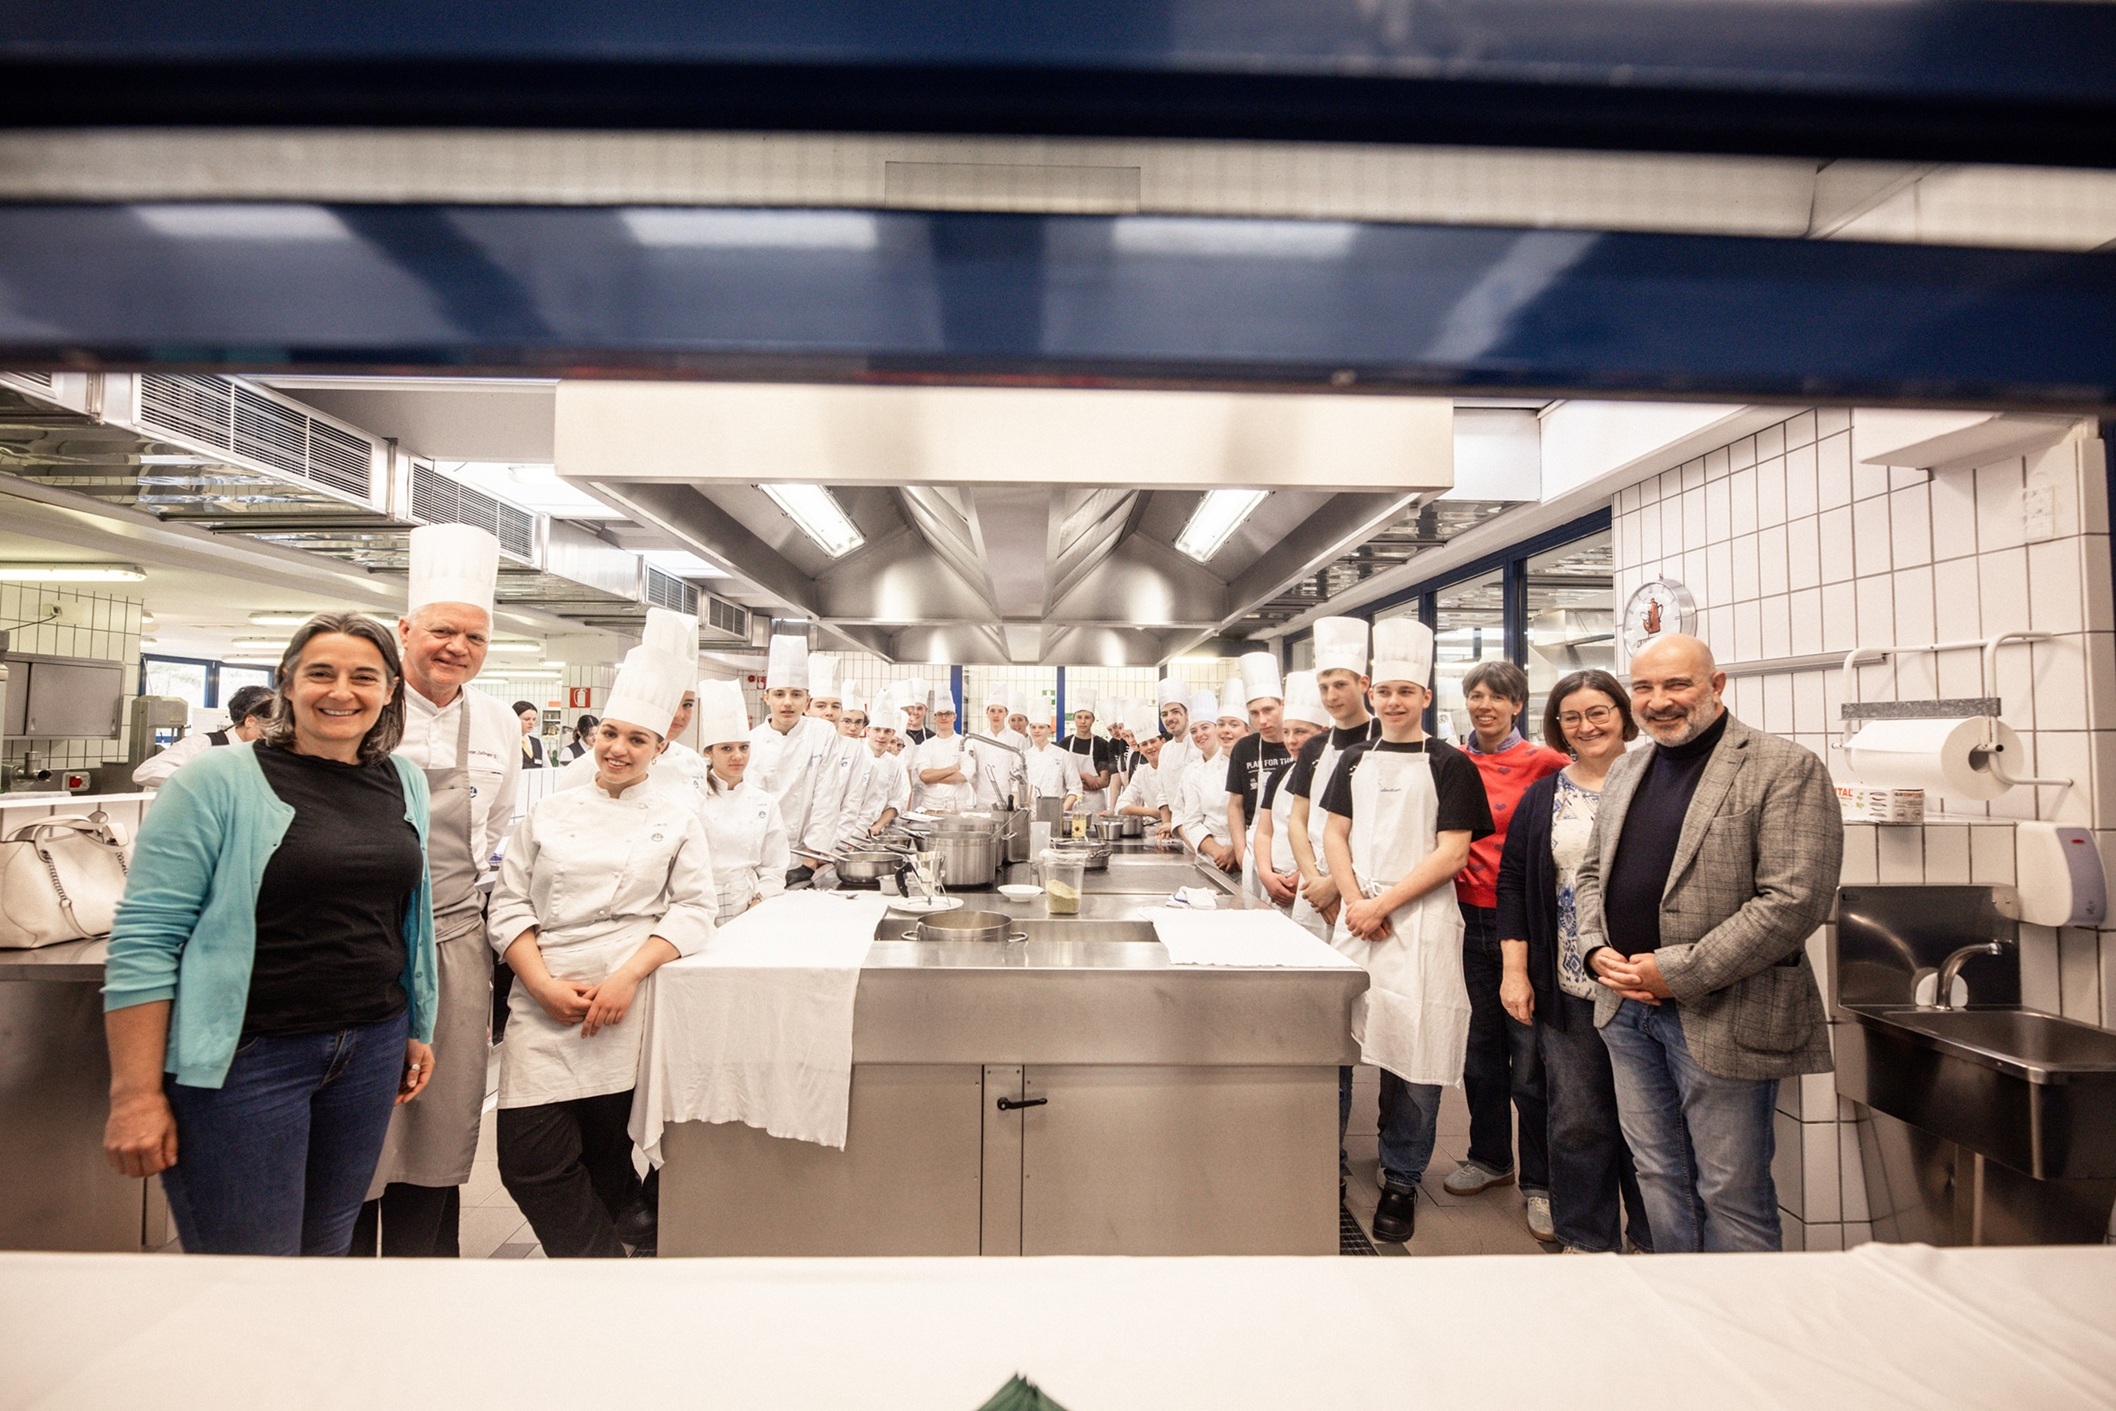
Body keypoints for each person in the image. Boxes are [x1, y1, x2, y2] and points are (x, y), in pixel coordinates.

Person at [102, 612, 438, 1256]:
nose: (341, 691)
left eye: (364, 677)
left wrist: (417, 1025)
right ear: (287, 681)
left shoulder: (404, 781)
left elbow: (406, 917)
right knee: (249, 1266)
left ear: (390, 689)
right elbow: (146, 939)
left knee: (326, 1250)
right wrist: (135, 1094)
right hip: (248, 1060)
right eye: (321, 673)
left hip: (370, 1048)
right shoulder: (215, 779)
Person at [1574, 633, 1841, 1253]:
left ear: (1716, 686)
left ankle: (1741, 1314)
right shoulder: (1629, 768)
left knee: (1731, 1191)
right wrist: (1592, 947)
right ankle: (1683, 1302)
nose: (1659, 700)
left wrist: (1677, 972)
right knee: (1657, 1174)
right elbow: (1591, 873)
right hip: (1625, 1010)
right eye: (1644, 687)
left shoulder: (1783, 767)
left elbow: (1794, 900)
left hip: (1724, 1013)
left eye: (1677, 684)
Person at [488, 643, 714, 1258]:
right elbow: (509, 906)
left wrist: (628, 977)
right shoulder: (548, 812)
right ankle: (604, 1268)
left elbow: (695, 910)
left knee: (605, 1152)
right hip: (543, 999)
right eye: (610, 733)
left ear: (659, 749)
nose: (618, 748)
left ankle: (606, 1272)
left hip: (623, 1005)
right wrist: (540, 986)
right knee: (529, 1163)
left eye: (637, 739)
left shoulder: (676, 819)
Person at [358, 522, 523, 1259]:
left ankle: (427, 1272)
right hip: (365, 933)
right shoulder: (362, 704)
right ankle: (343, 1273)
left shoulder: (496, 721)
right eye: (442, 631)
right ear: (405, 630)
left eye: (474, 637)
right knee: (359, 1115)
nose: (458, 647)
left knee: (441, 1116)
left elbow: (498, 823)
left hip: (454, 936)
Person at [1320, 617, 1493, 1244]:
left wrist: (1381, 905)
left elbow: (1453, 853)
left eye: (1406, 692)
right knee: (1338, 1046)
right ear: (1373, 694)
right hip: (1359, 918)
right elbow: (1334, 833)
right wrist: (1354, 900)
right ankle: (1328, 1164)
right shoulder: (1353, 759)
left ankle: (1401, 1176)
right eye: (1385, 691)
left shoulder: (1451, 764)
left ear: (1425, 696)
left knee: (1417, 1052)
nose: (1394, 702)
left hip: (1419, 921)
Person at [1497, 669, 1655, 1255]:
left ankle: (1652, 1241)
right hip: (1569, 986)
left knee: (1652, 1126)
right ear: (1557, 726)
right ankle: (1586, 1240)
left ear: (1623, 715)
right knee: (1578, 1119)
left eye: (1598, 712)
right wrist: (1516, 971)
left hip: (1648, 984)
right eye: (1571, 717)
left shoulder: (1657, 781)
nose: (1586, 726)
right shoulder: (1545, 796)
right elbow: (1513, 884)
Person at [1442, 660, 1571, 1241]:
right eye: (1476, 695)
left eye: (1497, 697)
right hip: (1463, 919)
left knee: (1531, 1061)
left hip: (1525, 922)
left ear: (1518, 704)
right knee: (1479, 1051)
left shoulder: (1547, 763)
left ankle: (1541, 1182)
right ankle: (1490, 1156)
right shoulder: (1451, 762)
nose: (1485, 705)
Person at [1286, 617, 1381, 942]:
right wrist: (1314, 881)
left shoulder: (1384, 737)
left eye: (1340, 685)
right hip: (1313, 888)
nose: (1331, 696)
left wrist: (1337, 885)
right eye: (1324, 687)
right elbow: (1298, 820)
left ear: (1363, 683)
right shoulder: (1314, 746)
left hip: (1363, 885)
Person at [748, 635, 848, 882]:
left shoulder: (822, 733)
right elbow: (750, 805)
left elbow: (827, 797)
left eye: (796, 694)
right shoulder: (751, 741)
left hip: (805, 855)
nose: (787, 703)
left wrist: (811, 857)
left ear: (806, 700)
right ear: (766, 697)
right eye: (779, 694)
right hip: (760, 855)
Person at [694, 680, 790, 921]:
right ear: (709, 752)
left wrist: (759, 900)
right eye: (726, 749)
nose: (738, 756)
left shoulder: (764, 803)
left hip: (746, 901)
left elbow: (775, 867)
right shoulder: (693, 798)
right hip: (697, 901)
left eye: (744, 748)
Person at [1253, 670, 1327, 913]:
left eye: (1301, 732)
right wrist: (1265, 873)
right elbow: (1264, 831)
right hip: (1273, 885)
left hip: (1311, 884)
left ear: (1323, 732)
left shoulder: (1331, 775)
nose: (1291, 741)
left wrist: (1300, 876)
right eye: (1286, 732)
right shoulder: (1280, 774)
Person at [1223, 653, 1290, 895]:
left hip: (1294, 850)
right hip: (1255, 848)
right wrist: (1241, 852)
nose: (1262, 720)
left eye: (1268, 710)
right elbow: (1235, 805)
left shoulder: (1300, 743)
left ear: (1283, 704)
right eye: (1254, 713)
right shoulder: (1245, 748)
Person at [130, 685, 277, 787]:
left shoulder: (269, 753)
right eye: (266, 732)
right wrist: (206, 779)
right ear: (250, 720)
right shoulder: (204, 743)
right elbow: (144, 773)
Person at [1173, 688, 1237, 871]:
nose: (1199, 734)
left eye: (1205, 727)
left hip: (1243, 851)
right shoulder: (1192, 772)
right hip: (1211, 856)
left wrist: (1236, 849)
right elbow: (1191, 820)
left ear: (1217, 728)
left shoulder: (1238, 763)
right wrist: (1218, 854)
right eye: (1193, 730)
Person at [914, 695, 979, 812]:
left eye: (948, 714)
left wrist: (933, 778)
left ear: (955, 716)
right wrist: (952, 769)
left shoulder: (965, 743)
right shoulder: (926, 745)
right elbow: (924, 776)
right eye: (940, 714)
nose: (944, 717)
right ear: (934, 718)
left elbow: (965, 775)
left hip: (957, 809)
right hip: (930, 807)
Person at [1061, 699, 1117, 814]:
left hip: (1095, 804)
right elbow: (1060, 778)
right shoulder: (1064, 744)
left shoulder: (1101, 744)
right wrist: (1085, 776)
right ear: (1074, 719)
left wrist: (1074, 783)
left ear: (1093, 720)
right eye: (1079, 717)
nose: (1083, 721)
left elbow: (1104, 781)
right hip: (1070, 802)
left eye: (1087, 717)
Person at [1112, 729, 1171, 835]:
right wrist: (1151, 812)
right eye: (1144, 744)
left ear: (1163, 742)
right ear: (1140, 750)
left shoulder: (1177, 768)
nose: (1150, 747)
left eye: (1153, 741)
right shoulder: (1141, 774)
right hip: (1160, 832)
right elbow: (1120, 807)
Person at [1023, 717, 1084, 811]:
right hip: (1029, 813)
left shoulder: (1063, 755)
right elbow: (1015, 788)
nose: (1036, 731)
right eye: (1033, 727)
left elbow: (1075, 788)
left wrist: (1061, 811)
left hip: (1055, 811)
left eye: (1041, 727)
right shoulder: (1024, 756)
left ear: (1049, 729)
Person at [899, 678, 934, 745]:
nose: (915, 712)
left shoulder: (932, 738)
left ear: (926, 710)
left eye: (919, 708)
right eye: (912, 708)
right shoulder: (898, 735)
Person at [515, 701, 546, 768]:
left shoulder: (537, 743)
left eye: (534, 719)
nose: (531, 723)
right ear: (514, 719)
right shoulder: (508, 742)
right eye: (527, 719)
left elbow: (548, 768)